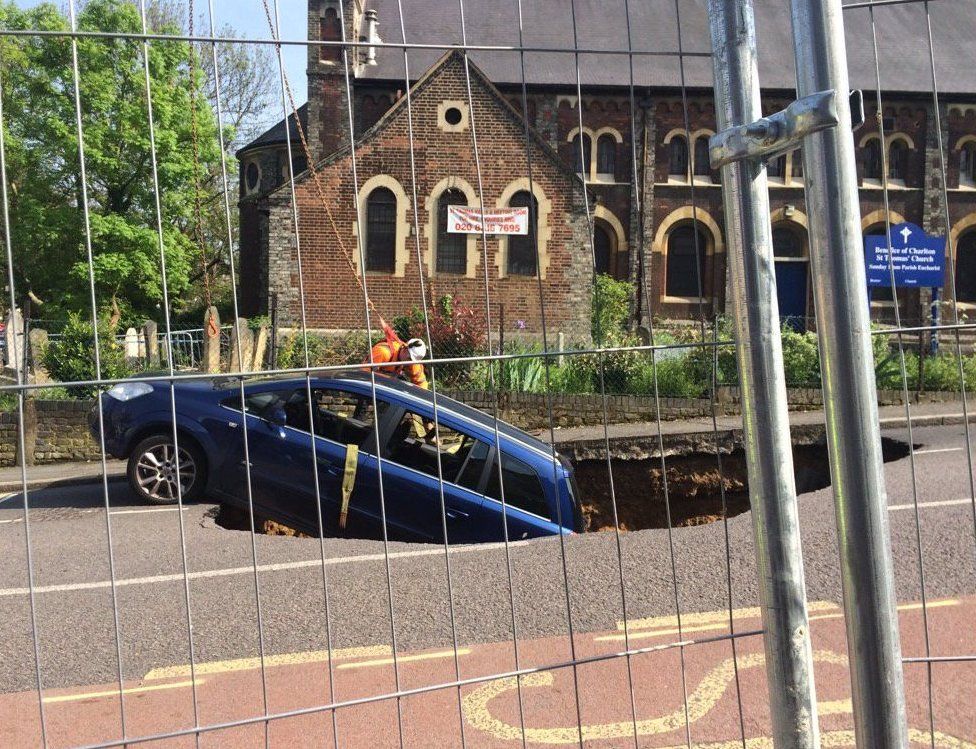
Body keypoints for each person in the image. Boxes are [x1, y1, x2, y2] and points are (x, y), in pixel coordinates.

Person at [366, 318, 429, 389]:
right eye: (409, 358)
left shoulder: (412, 361)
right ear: (405, 349)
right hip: (371, 386)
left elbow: (421, 383)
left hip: (390, 385)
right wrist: (388, 378)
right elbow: (365, 374)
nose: (410, 363)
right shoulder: (383, 352)